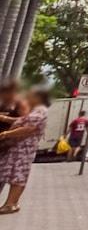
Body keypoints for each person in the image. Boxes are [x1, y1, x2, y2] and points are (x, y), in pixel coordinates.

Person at [1, 85, 52, 214]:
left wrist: (6, 134)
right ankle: (12, 202)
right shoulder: (37, 110)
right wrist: (5, 118)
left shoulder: (40, 110)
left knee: (18, 175)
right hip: (20, 147)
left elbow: (29, 128)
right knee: (16, 174)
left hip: (24, 148)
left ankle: (11, 204)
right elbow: (23, 120)